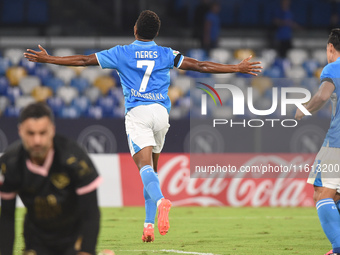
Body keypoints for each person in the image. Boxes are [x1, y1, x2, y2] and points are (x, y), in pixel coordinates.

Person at [24, 10, 262, 243]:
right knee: (152, 173)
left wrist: (49, 59)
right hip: (161, 114)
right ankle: (148, 226)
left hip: (138, 113)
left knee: (144, 169)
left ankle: (161, 203)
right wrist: (236, 68)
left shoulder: (121, 53)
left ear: (135, 30)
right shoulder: (166, 53)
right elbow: (200, 66)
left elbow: (84, 60)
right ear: (156, 33)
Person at [0, 102, 102, 255]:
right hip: (36, 239)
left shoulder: (75, 159)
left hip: (74, 236)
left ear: (52, 131)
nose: (37, 141)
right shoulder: (10, 164)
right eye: (31, 133)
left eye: (42, 133)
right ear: (20, 131)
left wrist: (87, 251)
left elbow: (91, 213)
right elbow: (7, 217)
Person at [295, 28, 340, 255]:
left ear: (330, 48)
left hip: (337, 142)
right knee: (335, 194)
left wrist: (303, 109)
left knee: (322, 191)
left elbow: (323, 95)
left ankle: (338, 247)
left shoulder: (333, 67)